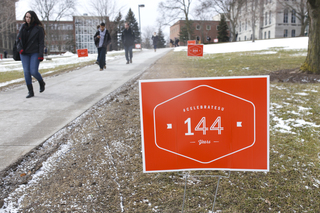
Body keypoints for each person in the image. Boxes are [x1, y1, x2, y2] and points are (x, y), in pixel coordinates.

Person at [16, 11, 45, 98]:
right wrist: (20, 49)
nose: (27, 19)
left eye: (29, 17)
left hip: (34, 52)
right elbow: (18, 40)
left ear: (33, 18)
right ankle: (30, 92)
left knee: (33, 71)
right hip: (24, 53)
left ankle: (41, 82)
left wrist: (40, 55)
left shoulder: (38, 29)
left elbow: (41, 43)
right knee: (26, 72)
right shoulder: (23, 27)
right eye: (26, 17)